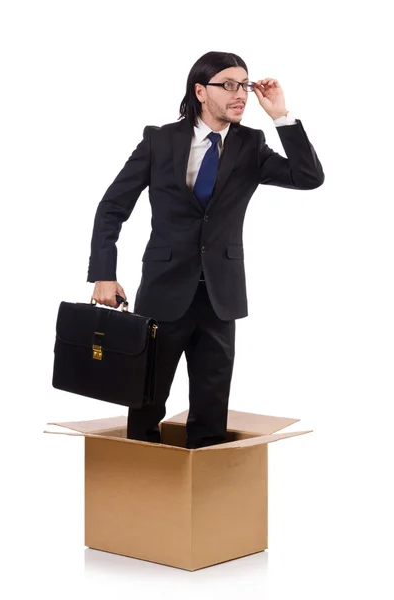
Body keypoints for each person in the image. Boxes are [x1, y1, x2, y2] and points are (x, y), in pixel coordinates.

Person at [87, 51, 324, 449]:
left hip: (220, 297)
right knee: (144, 403)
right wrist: (104, 273)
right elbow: (112, 206)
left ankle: (204, 502)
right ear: (200, 90)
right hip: (163, 292)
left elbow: (308, 177)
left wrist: (281, 116)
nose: (241, 94)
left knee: (211, 412)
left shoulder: (251, 144)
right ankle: (139, 495)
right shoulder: (159, 140)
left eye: (244, 86)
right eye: (228, 85)